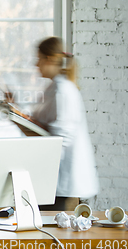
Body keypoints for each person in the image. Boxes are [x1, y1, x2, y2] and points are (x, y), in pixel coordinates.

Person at [20, 36, 99, 210]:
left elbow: (60, 138)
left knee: (52, 231)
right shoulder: (54, 88)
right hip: (53, 177)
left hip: (61, 178)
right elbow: (43, 125)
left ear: (48, 59)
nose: (36, 64)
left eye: (38, 59)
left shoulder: (62, 91)